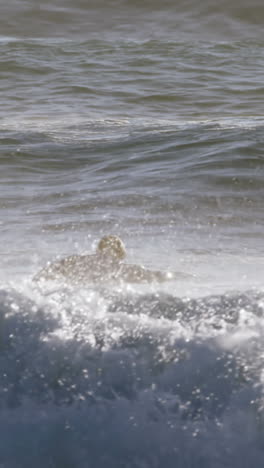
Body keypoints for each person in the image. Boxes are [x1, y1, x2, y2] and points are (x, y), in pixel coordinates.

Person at [34, 235, 174, 284]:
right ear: (121, 254)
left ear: (98, 249)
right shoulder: (122, 269)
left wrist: (36, 281)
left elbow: (53, 268)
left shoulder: (82, 262)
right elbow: (157, 276)